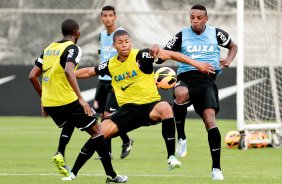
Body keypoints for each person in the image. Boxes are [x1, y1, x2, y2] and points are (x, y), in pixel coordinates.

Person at [71, 29, 215, 176]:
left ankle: (171, 157)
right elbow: (89, 71)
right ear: (114, 46)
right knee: (98, 134)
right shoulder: (110, 64)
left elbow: (171, 54)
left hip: (150, 106)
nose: (125, 45)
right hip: (126, 110)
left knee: (165, 107)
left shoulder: (142, 55)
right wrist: (67, 75)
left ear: (131, 42)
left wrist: (197, 64)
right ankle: (73, 172)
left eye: (127, 41)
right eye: (120, 43)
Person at [28, 18, 128, 183]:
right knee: (98, 133)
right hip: (67, 100)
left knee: (72, 122)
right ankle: (111, 175)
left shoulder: (49, 48)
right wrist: (81, 99)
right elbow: (69, 70)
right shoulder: (73, 48)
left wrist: (43, 100)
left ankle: (60, 152)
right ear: (77, 32)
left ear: (63, 32)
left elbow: (32, 75)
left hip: (51, 103)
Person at [163, 4, 238, 180]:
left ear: (206, 19)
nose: (195, 21)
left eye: (199, 18)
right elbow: (166, 52)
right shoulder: (182, 35)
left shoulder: (216, 33)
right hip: (186, 77)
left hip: (207, 81)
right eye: (192, 18)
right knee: (180, 92)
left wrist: (227, 59)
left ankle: (216, 169)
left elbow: (233, 46)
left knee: (210, 120)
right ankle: (181, 136)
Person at [96, 5, 133, 159]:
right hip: (102, 81)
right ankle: (125, 141)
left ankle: (110, 151)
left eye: (110, 15)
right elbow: (101, 56)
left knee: (107, 115)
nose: (107, 18)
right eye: (104, 16)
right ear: (101, 18)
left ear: (115, 16)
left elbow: (129, 55)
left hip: (116, 81)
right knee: (102, 117)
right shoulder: (101, 35)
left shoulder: (122, 34)